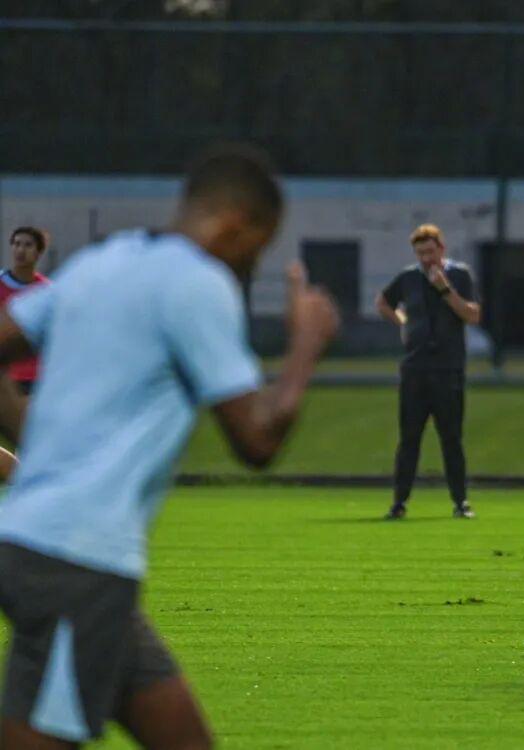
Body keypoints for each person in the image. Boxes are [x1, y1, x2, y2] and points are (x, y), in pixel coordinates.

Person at [0, 145, 340, 748]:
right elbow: (257, 440)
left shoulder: (102, 262)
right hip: (77, 562)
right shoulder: (198, 284)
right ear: (235, 225)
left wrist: (38, 442)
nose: (251, 265)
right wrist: (306, 345)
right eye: (257, 248)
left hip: (48, 546)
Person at [375, 224, 481, 520]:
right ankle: (399, 502)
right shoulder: (409, 278)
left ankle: (460, 501)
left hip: (448, 370)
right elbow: (383, 301)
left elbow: (472, 315)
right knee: (409, 439)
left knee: (451, 439)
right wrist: (402, 322)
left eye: (430, 252)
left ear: (441, 249)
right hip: (415, 370)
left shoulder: (459, 275)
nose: (426, 258)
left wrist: (445, 289)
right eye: (420, 253)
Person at [0, 227, 51, 394]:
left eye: (28, 245)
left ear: (38, 252)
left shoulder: (46, 291)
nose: (21, 250)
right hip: (6, 378)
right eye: (16, 244)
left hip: (36, 379)